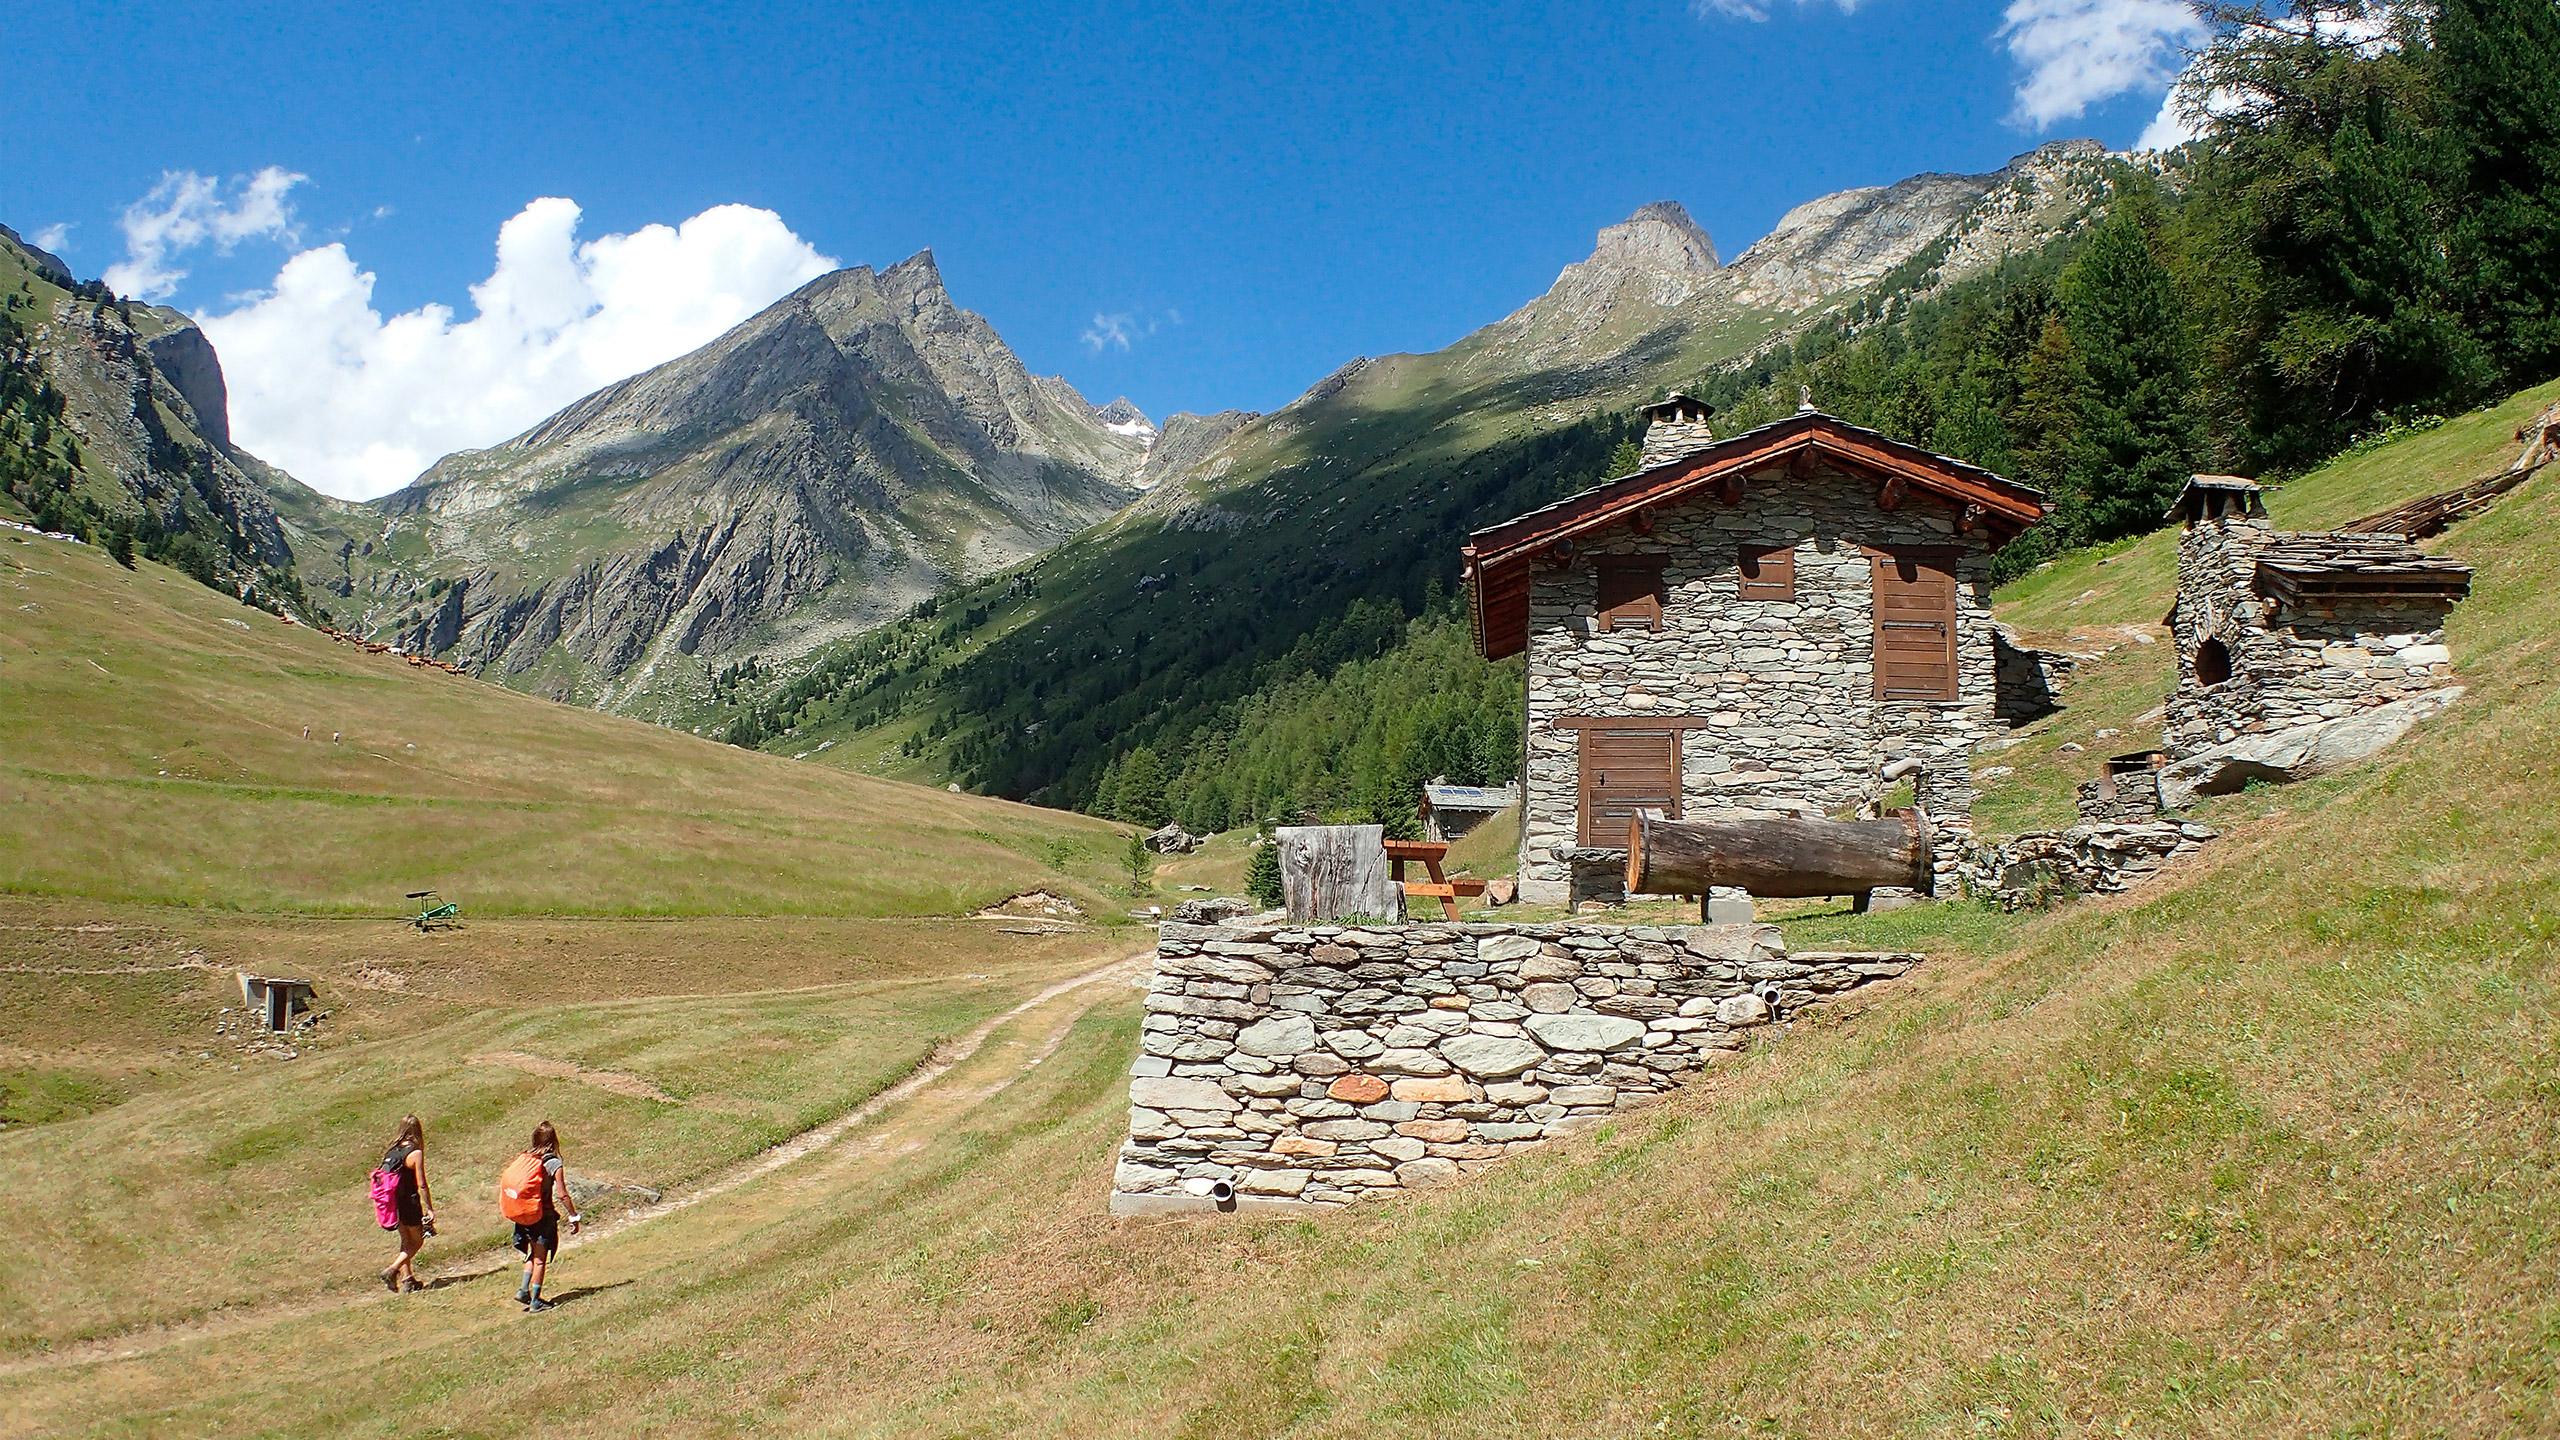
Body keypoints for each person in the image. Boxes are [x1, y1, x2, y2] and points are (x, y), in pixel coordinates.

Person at [513, 1120, 583, 1313]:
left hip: (524, 1214)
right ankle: (535, 1301)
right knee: (540, 1259)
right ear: (554, 1141)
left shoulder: (527, 1158)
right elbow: (562, 1194)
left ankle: (523, 1290)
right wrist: (573, 1216)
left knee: (532, 1254)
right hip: (542, 1216)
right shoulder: (553, 1163)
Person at [378, 1115, 434, 1293]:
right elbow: (422, 1184)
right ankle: (392, 1269)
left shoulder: (391, 1151)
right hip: (409, 1203)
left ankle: (408, 1280)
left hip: (393, 1204)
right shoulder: (415, 1153)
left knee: (405, 1240)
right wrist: (430, 1209)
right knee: (416, 1242)